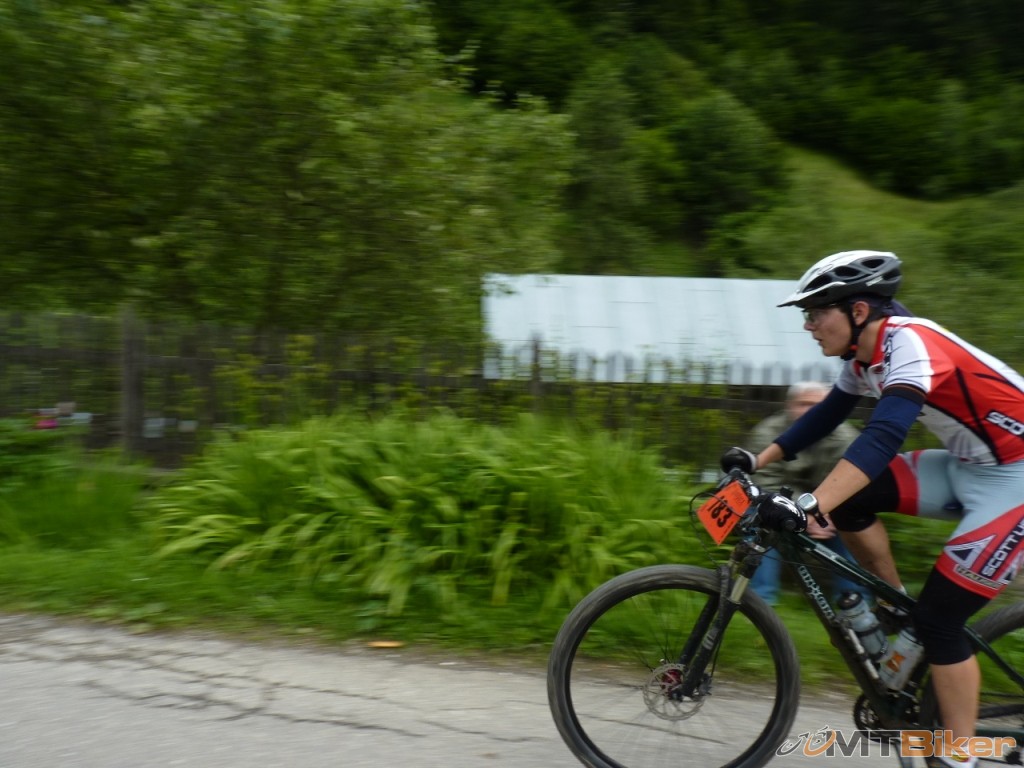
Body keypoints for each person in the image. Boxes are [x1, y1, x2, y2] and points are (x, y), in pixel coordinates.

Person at [721, 250, 1024, 768]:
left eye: (816, 312)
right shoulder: (865, 355)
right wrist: (757, 458)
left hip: (1014, 480)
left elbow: (883, 437)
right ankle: (898, 608)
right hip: (971, 465)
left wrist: (809, 503)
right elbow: (826, 416)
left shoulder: (910, 345)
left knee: (942, 622)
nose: (809, 325)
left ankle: (959, 757)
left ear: (857, 311)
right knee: (853, 503)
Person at [746, 381, 868, 606]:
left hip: (827, 511)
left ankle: (855, 604)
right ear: (789, 406)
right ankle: (759, 602)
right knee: (757, 515)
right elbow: (766, 482)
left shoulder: (846, 438)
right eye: (802, 404)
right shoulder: (767, 433)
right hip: (782, 506)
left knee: (854, 524)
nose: (809, 410)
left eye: (816, 405)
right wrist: (804, 514)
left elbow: (850, 484)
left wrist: (826, 514)